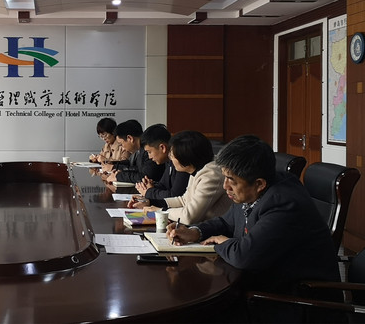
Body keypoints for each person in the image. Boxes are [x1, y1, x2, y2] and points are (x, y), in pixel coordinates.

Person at [167, 135, 340, 299]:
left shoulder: (283, 203)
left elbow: (244, 256)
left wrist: (222, 242)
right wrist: (194, 232)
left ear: (259, 184)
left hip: (293, 299)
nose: (225, 186)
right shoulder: (250, 190)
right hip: (262, 285)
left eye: (231, 180)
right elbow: (225, 222)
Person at [143, 130, 231, 224]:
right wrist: (151, 202)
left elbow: (189, 216)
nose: (170, 158)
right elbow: (184, 200)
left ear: (185, 156)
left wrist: (160, 211)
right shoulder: (197, 168)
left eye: (172, 155)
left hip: (213, 229)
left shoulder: (211, 175)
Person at [127, 124, 190, 208]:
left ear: (162, 148)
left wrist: (149, 192)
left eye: (149, 152)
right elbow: (163, 185)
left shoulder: (181, 162)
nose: (149, 157)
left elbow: (174, 196)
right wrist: (148, 187)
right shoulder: (168, 162)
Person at [102, 119, 164, 184]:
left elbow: (145, 177)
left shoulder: (148, 150)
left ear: (130, 138)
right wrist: (113, 164)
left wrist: (118, 175)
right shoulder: (138, 150)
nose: (123, 149)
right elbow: (133, 166)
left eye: (121, 144)